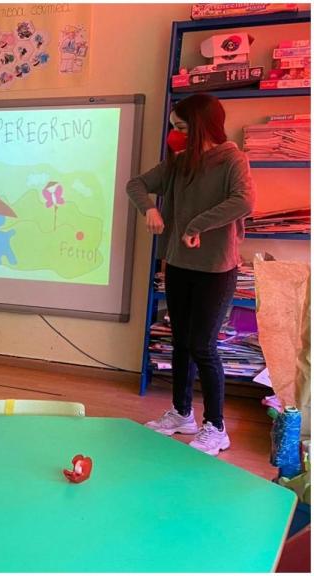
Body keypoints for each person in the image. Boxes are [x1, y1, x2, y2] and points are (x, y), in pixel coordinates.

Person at [126, 93, 255, 456]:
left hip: (216, 270)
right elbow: (135, 185)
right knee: (181, 341)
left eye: (181, 127)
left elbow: (244, 201)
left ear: (199, 126)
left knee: (203, 345)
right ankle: (182, 414)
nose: (175, 135)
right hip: (179, 265)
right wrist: (149, 209)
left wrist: (196, 224)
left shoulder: (232, 159)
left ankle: (216, 427)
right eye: (174, 128)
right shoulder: (180, 163)